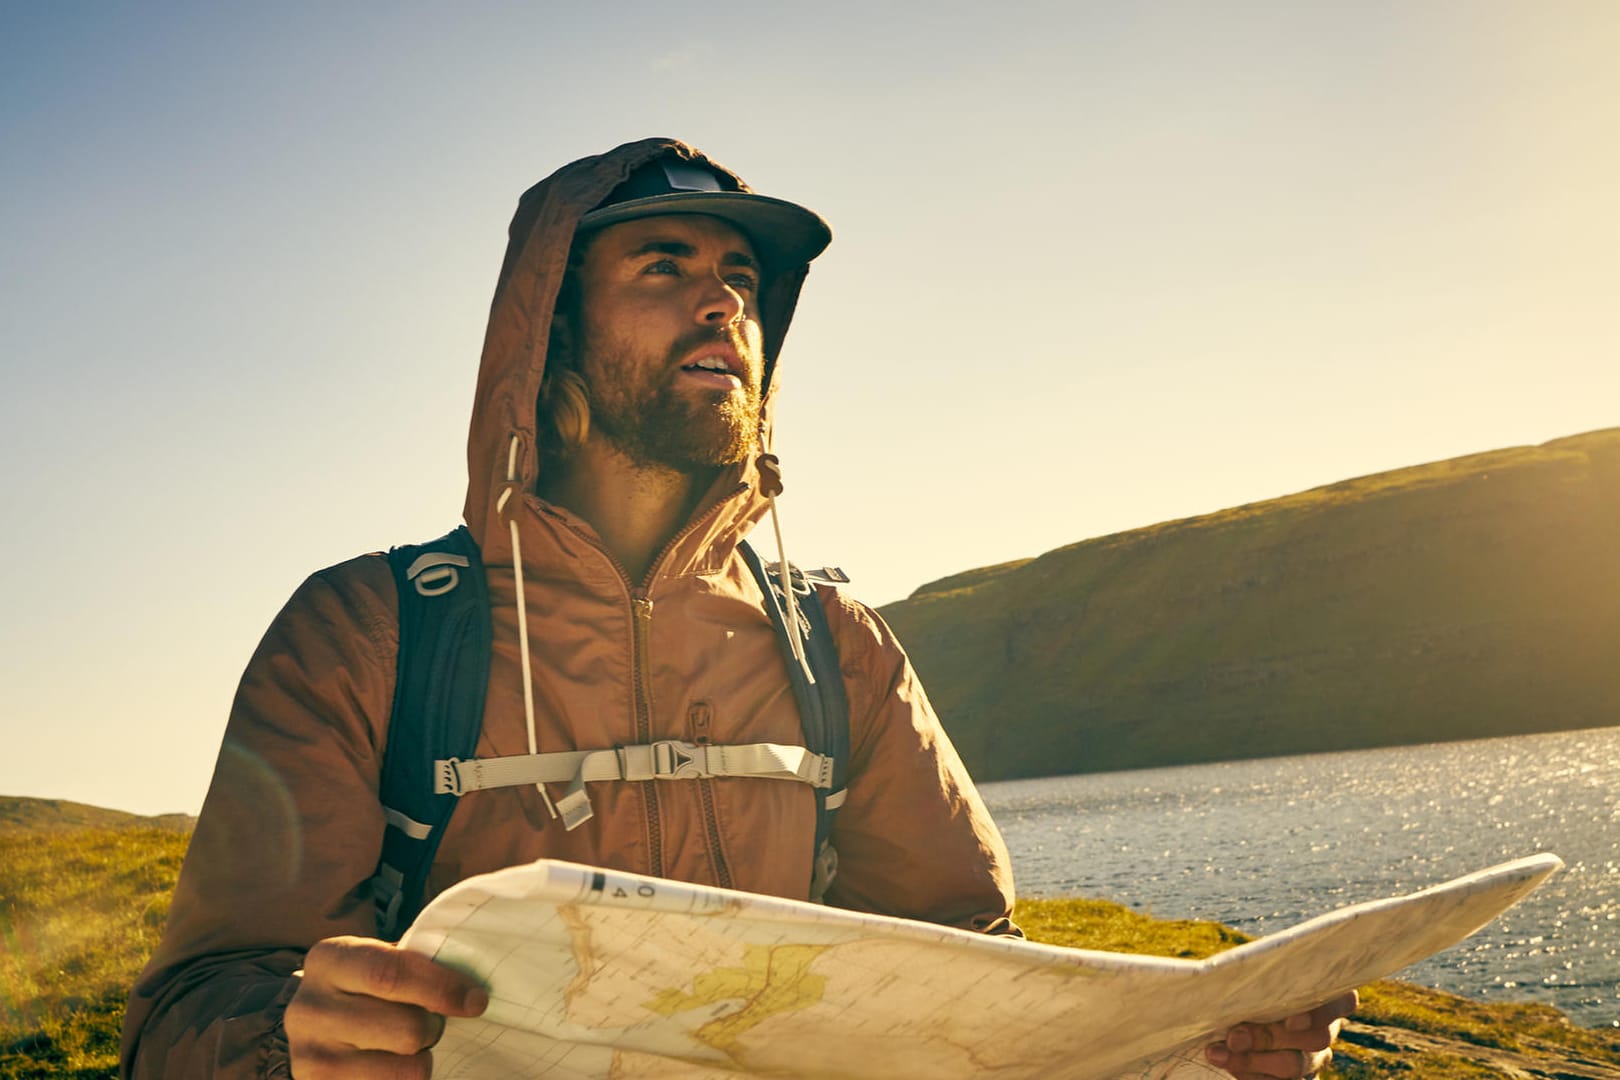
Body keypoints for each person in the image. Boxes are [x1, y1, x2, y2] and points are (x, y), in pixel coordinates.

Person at [121, 138, 1352, 1079]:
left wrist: (1181, 1048)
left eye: (743, 279)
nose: (724, 303)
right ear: (543, 334)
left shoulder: (837, 644)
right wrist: (285, 1036)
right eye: (666, 265)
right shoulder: (366, 632)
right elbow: (188, 1007)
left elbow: (973, 986)